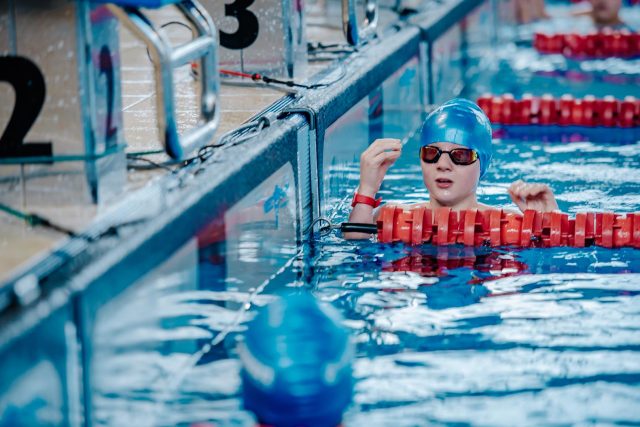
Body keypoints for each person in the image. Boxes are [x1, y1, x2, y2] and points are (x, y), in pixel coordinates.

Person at [346, 98, 559, 239]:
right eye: (432, 153)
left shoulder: (508, 223)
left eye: (461, 155)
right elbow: (355, 246)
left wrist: (549, 223)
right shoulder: (391, 216)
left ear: (482, 163)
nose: (443, 165)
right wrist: (367, 189)